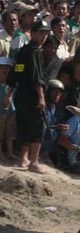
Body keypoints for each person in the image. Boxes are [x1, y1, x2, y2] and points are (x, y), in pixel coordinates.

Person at [4, 20, 51, 173]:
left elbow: (14, 74)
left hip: (20, 96)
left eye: (46, 33)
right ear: (33, 33)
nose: (44, 36)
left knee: (24, 127)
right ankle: (34, 162)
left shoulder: (23, 51)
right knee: (38, 128)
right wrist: (41, 97)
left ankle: (23, 159)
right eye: (41, 33)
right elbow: (36, 77)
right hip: (32, 96)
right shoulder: (35, 51)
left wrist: (9, 95)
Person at [0, 57, 17, 162]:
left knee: (10, 133)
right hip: (0, 111)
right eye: (1, 67)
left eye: (7, 68)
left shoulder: (11, 84)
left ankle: (10, 153)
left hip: (11, 110)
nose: (4, 70)